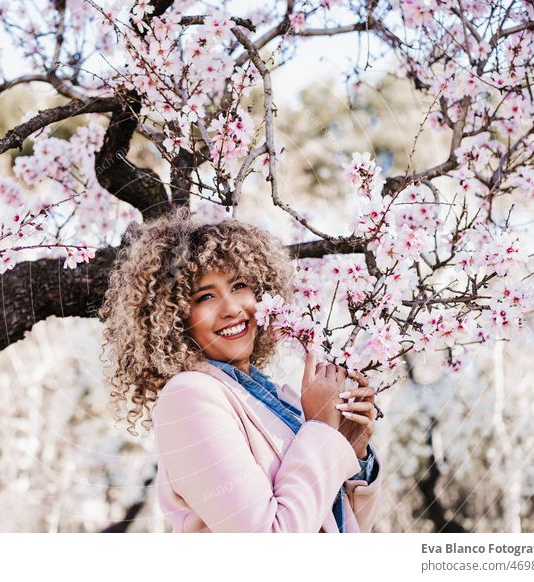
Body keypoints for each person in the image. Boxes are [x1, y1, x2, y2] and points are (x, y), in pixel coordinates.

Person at [98, 208, 382, 532]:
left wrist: (353, 449)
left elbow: (335, 528)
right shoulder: (188, 397)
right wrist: (320, 426)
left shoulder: (272, 396)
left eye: (239, 285)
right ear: (174, 317)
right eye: (205, 296)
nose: (232, 308)